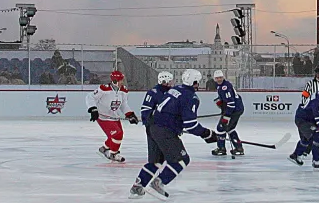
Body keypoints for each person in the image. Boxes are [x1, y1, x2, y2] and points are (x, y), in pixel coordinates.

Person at [129, 69, 216, 199]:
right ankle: (159, 182)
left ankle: (138, 187)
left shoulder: (174, 89)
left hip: (153, 127)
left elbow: (172, 111)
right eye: (197, 82)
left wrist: (176, 122)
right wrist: (207, 134)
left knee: (156, 161)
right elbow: (191, 125)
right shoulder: (191, 97)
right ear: (195, 82)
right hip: (165, 131)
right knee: (181, 159)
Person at [87, 70, 138, 163]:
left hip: (114, 117)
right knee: (116, 134)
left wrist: (130, 114)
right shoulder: (104, 89)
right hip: (103, 117)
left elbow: (123, 105)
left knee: (119, 135)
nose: (122, 82)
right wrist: (93, 109)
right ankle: (113, 154)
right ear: (114, 81)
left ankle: (104, 148)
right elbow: (90, 97)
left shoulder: (123, 91)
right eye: (120, 80)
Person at [211, 70, 245, 156]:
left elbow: (231, 104)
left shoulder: (225, 87)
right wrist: (221, 102)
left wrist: (226, 117)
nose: (219, 79)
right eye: (217, 78)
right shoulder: (220, 86)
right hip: (237, 109)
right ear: (214, 79)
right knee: (230, 128)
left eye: (220, 78)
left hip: (234, 110)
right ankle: (238, 148)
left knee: (221, 128)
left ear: (223, 77)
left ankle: (221, 149)